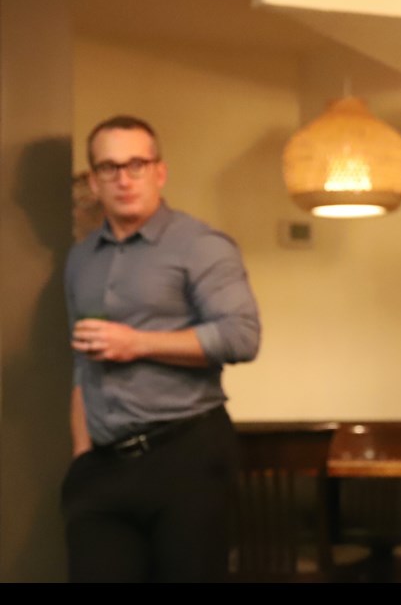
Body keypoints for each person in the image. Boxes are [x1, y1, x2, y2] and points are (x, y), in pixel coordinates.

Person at [62, 115, 261, 582]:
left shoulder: (201, 246)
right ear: (94, 181)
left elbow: (241, 336)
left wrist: (138, 344)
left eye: (136, 164)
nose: (124, 179)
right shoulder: (81, 259)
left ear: (159, 172)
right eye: (109, 168)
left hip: (186, 454)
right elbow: (80, 363)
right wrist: (81, 455)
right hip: (103, 467)